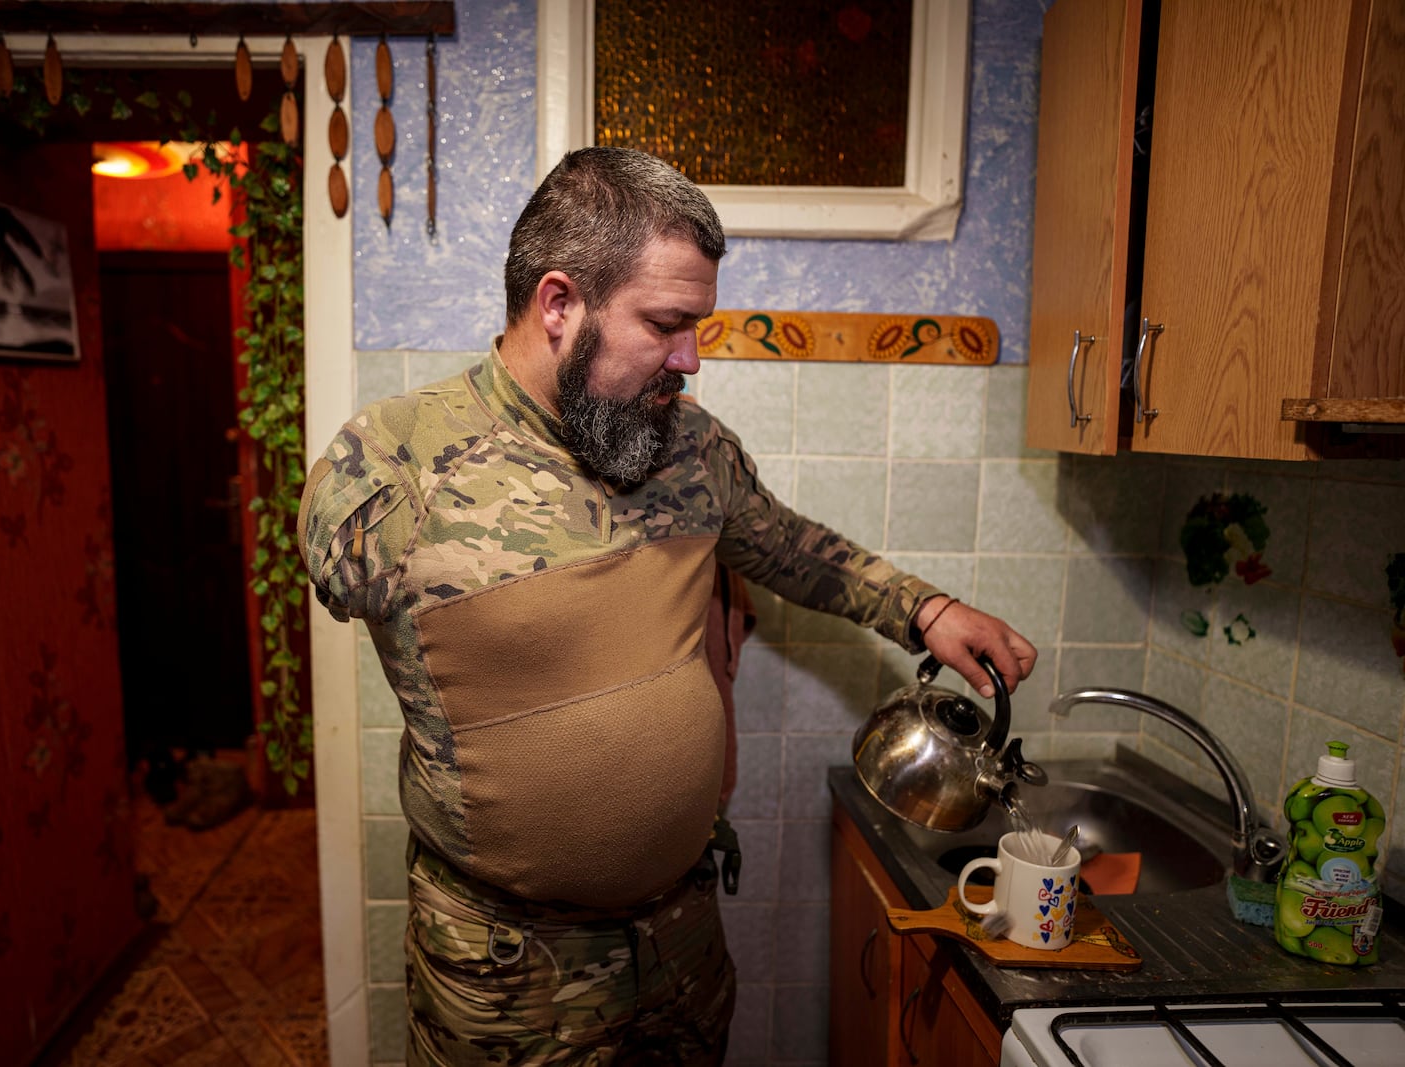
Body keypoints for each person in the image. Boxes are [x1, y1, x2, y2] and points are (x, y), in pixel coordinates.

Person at [299, 146, 1037, 1065]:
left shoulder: (690, 445)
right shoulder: (395, 463)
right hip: (506, 973)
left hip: (682, 940)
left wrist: (927, 612)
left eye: (698, 326)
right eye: (666, 323)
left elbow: (792, 548)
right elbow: (329, 591)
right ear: (560, 304)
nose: (691, 359)